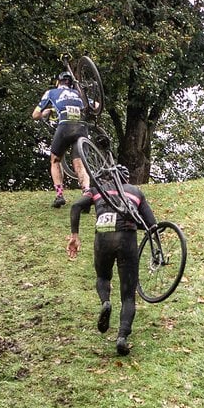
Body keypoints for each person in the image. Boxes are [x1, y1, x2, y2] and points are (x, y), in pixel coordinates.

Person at [66, 167, 156, 356]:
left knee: (103, 277)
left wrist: (75, 235)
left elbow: (75, 206)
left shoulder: (97, 189)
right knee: (128, 296)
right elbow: (151, 225)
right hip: (127, 239)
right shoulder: (136, 192)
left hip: (103, 238)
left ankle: (106, 302)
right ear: (126, 178)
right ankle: (122, 337)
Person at [32, 71, 90, 207]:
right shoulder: (78, 93)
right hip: (81, 127)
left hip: (65, 127)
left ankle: (59, 195)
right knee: (79, 164)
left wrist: (46, 112)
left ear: (58, 82)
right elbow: (97, 106)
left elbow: (35, 115)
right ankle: (87, 193)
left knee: (55, 159)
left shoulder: (51, 92)